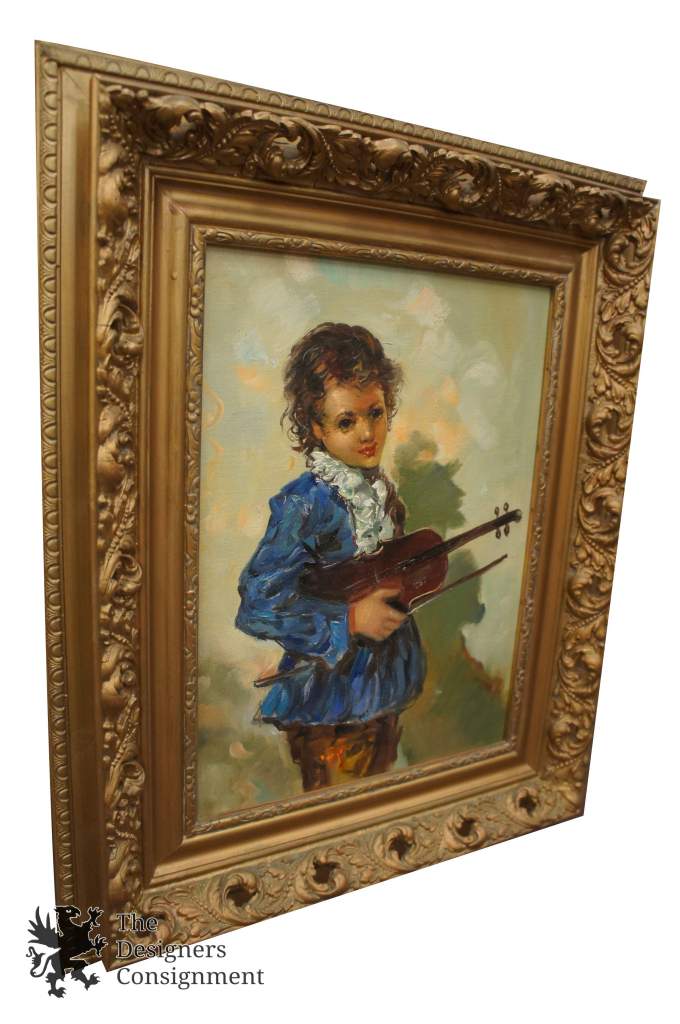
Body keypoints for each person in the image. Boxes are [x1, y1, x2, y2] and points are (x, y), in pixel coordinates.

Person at [235, 322, 426, 791]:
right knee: (337, 806)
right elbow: (258, 604)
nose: (367, 432)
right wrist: (350, 620)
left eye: (376, 413)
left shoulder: (381, 492)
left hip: (384, 692)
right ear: (316, 428)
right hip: (330, 704)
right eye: (346, 422)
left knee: (375, 794)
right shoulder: (306, 503)